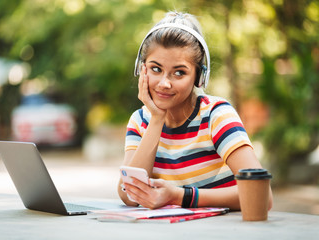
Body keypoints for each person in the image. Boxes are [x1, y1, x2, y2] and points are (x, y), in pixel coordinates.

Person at [117, 11, 273, 210]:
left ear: (198, 78)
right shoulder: (140, 121)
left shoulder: (216, 115)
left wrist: (180, 196)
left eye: (179, 72)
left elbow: (260, 195)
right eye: (156, 69)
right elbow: (129, 195)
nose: (164, 83)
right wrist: (157, 119)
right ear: (142, 69)